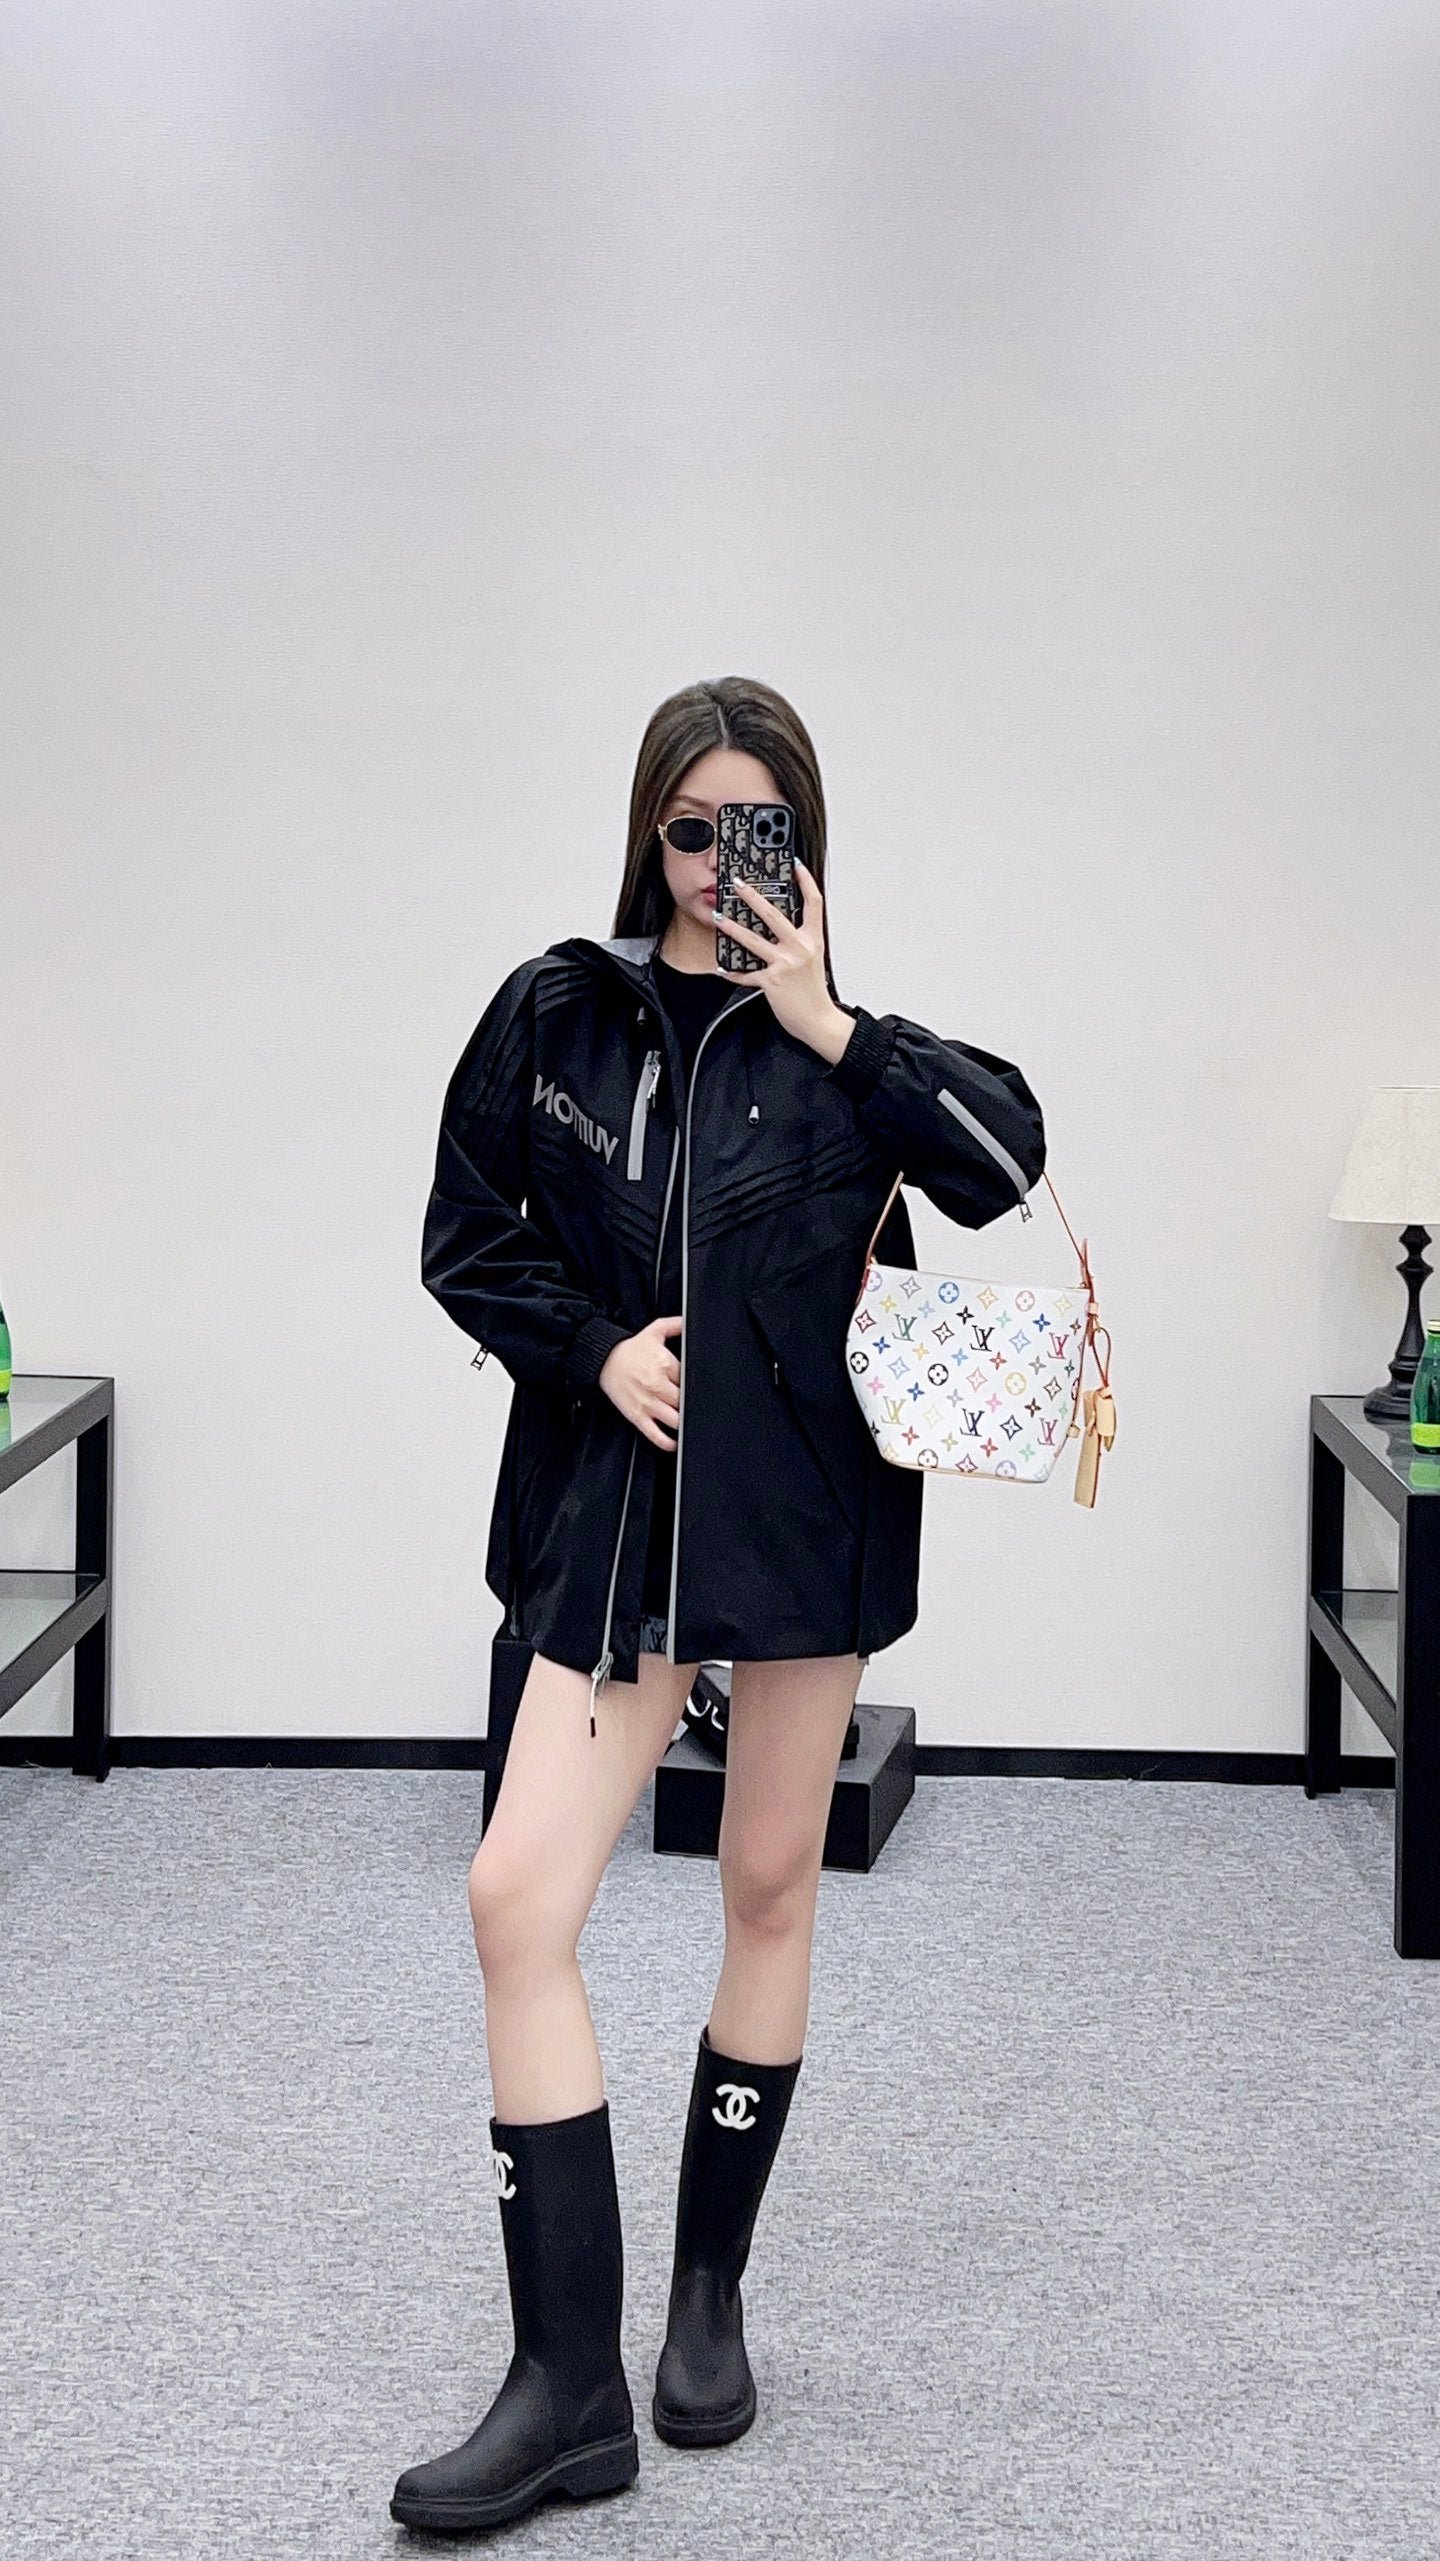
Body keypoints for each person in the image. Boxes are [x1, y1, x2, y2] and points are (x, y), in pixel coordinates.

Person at [393, 676, 1046, 2534]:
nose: (713, 866)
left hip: (805, 1523)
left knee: (769, 1885)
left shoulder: (849, 1055)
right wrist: (592, 1348)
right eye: (689, 829)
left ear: (803, 847)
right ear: (647, 832)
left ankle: (706, 2299)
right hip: (622, 1525)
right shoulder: (558, 1012)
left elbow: (1011, 1163)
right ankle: (566, 2385)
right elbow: (463, 1233)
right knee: (518, 1897)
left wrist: (829, 1016)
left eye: (752, 831)